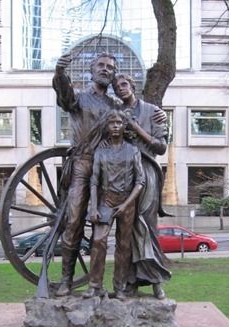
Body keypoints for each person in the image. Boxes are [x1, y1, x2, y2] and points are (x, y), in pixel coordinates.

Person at [52, 51, 120, 297]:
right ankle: (66, 281)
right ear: (92, 71)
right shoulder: (79, 100)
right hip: (81, 165)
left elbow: (134, 122)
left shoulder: (116, 106)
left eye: (110, 67)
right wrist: (60, 73)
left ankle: (96, 283)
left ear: (113, 74)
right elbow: (64, 95)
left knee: (101, 228)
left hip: (107, 171)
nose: (105, 70)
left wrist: (157, 116)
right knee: (73, 223)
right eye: (101, 66)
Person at [112, 73, 171, 300]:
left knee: (145, 225)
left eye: (124, 84)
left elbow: (161, 148)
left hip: (146, 171)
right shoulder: (116, 112)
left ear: (133, 86)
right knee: (125, 230)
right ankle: (130, 282)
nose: (120, 88)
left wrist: (137, 129)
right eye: (117, 87)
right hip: (123, 174)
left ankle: (155, 280)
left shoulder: (151, 111)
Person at [82, 111, 145, 301]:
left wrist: (126, 204)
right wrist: (93, 207)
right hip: (106, 201)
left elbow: (140, 181)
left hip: (127, 202)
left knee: (123, 246)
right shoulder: (101, 151)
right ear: (107, 127)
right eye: (112, 123)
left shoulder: (133, 151)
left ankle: (120, 287)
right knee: (98, 241)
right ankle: (95, 285)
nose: (116, 126)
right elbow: (94, 180)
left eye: (119, 122)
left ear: (124, 126)